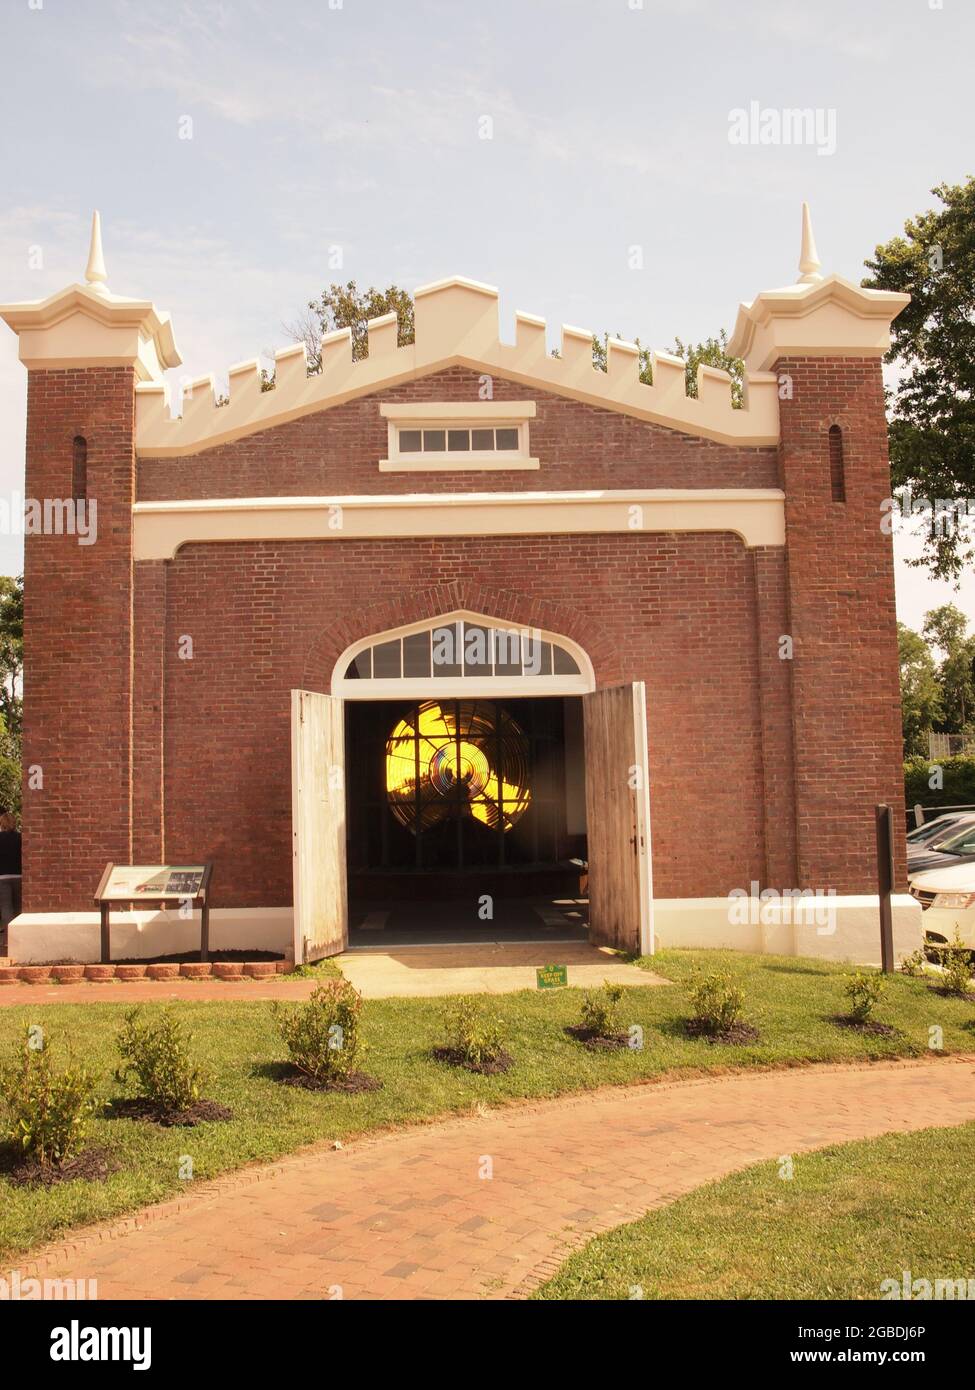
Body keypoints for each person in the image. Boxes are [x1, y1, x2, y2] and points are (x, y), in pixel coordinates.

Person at [0, 811, 21, 876]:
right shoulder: (21, 837)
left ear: (2, 824)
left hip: (2, 877)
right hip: (19, 876)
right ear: (14, 823)